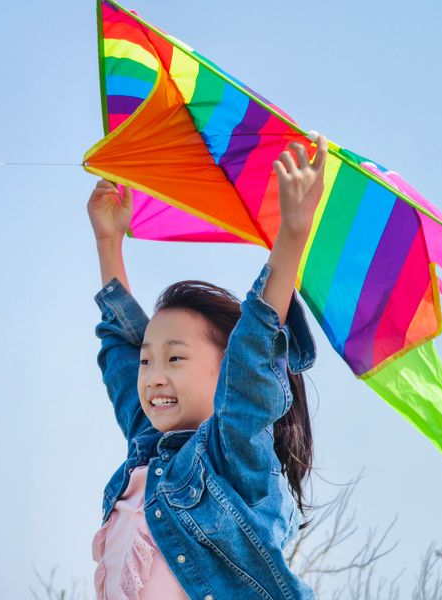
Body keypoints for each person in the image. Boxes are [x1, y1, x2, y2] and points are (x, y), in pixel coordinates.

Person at [86, 134, 328, 599]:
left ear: (225, 375)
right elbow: (119, 353)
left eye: (175, 358)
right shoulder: (145, 445)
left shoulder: (230, 454)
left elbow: (252, 355)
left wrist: (292, 234)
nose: (155, 374)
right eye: (148, 361)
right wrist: (108, 240)